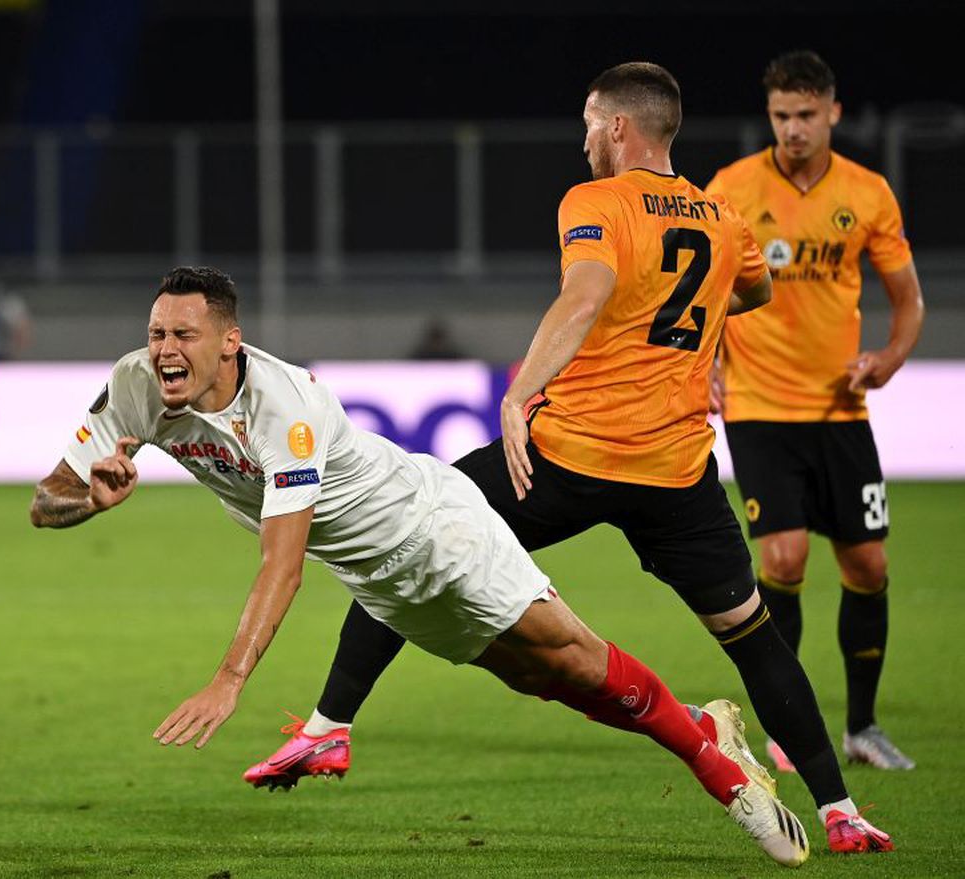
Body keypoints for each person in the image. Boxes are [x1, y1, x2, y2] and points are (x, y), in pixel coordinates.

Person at [246, 63, 893, 854]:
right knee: (753, 636)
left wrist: (521, 393)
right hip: (677, 475)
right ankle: (841, 809)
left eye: (590, 121)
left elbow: (583, 295)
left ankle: (328, 725)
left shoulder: (595, 202)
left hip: (567, 456)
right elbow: (751, 293)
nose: (583, 136)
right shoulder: (724, 217)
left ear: (619, 127)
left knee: (411, 533)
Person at [29, 266, 810, 868]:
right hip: (383, 582)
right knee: (544, 680)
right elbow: (47, 501)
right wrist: (89, 503)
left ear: (229, 341)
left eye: (184, 334)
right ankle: (702, 724)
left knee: (575, 656)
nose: (165, 348)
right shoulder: (136, 384)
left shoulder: (285, 405)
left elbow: (284, 564)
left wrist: (231, 677)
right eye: (158, 331)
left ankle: (722, 772)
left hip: (437, 529)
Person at [706, 50, 924, 774]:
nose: (792, 128)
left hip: (840, 408)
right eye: (780, 116)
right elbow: (697, 287)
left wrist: (889, 356)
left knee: (867, 563)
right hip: (759, 404)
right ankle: (785, 728)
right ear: (768, 116)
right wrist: (703, 363)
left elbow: (908, 300)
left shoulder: (867, 193)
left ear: (833, 111)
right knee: (784, 556)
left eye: (805, 114)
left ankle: (862, 726)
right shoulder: (732, 188)